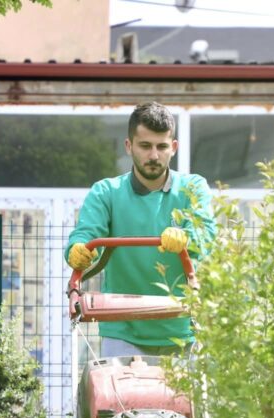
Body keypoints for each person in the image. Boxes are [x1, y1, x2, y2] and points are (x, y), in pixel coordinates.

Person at [65, 102, 217, 357]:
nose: (154, 155)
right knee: (117, 397)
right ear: (129, 146)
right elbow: (86, 234)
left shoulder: (193, 188)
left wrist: (187, 237)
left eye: (162, 146)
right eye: (145, 146)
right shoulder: (106, 193)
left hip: (184, 327)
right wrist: (77, 249)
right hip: (123, 329)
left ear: (174, 148)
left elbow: (207, 235)